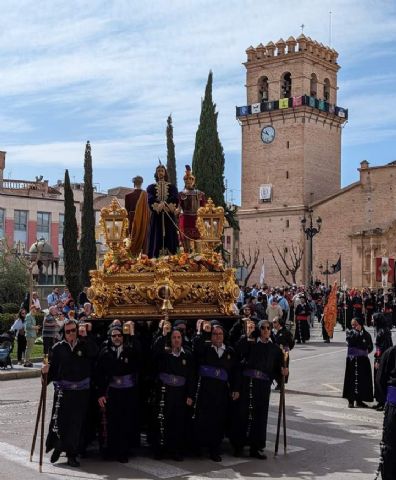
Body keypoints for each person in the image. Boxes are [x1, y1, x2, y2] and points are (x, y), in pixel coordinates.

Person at [42, 319, 98, 468]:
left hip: (81, 392)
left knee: (76, 424)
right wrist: (44, 374)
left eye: (74, 330)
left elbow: (95, 353)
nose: (71, 334)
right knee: (60, 423)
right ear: (63, 333)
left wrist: (85, 337)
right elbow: (51, 372)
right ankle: (59, 447)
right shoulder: (58, 348)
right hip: (63, 392)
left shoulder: (84, 345)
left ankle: (72, 454)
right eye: (68, 331)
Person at [231, 319, 286, 459]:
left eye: (268, 328)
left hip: (263, 386)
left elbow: (279, 369)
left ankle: (255, 448)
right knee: (243, 415)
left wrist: (284, 372)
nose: (266, 330)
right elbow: (238, 357)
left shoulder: (275, 349)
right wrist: (247, 335)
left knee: (260, 417)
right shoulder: (250, 344)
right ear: (259, 330)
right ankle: (239, 446)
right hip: (247, 384)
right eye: (263, 328)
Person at [192, 324, 239, 462]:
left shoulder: (229, 351)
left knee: (218, 421)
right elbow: (196, 348)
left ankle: (215, 449)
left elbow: (235, 372)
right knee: (203, 420)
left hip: (222, 392)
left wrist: (235, 389)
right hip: (206, 391)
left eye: (220, 334)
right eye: (214, 334)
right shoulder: (205, 349)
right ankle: (200, 447)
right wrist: (201, 332)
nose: (217, 337)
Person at [96, 322, 141, 463]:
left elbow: (139, 357)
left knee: (125, 421)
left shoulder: (130, 349)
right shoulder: (105, 352)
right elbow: (99, 374)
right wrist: (101, 394)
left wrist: (132, 336)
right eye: (114, 336)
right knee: (111, 422)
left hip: (127, 391)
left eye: (119, 335)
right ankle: (111, 450)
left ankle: (123, 451)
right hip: (112, 391)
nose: (116, 338)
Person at [150, 327, 195, 460]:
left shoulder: (187, 354)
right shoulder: (165, 354)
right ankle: (160, 449)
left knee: (178, 421)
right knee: (163, 419)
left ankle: (176, 450)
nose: (176, 340)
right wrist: (162, 335)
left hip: (180, 393)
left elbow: (191, 376)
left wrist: (190, 395)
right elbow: (154, 354)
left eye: (178, 337)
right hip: (165, 391)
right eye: (174, 337)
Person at [147, 164, 179, 258]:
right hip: (156, 217)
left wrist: (165, 203)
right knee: (156, 235)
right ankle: (155, 258)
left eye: (162, 171)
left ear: (165, 173)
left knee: (170, 235)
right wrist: (158, 205)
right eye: (158, 171)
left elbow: (175, 198)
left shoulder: (172, 187)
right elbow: (150, 198)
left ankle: (172, 258)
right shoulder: (151, 187)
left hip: (169, 216)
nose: (160, 173)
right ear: (156, 174)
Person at [342, 317, 374, 408]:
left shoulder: (367, 334)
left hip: (363, 360)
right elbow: (350, 342)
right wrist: (358, 334)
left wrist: (365, 349)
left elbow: (370, 346)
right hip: (352, 360)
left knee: (362, 380)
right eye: (352, 325)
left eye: (355, 324)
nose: (353, 326)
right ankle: (351, 400)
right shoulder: (350, 333)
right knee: (351, 379)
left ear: (360, 324)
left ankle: (360, 400)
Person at [375, 344, 396, 479]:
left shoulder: (390, 352)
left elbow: (380, 381)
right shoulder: (391, 353)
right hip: (394, 407)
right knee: (390, 449)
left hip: (393, 407)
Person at [178, 165, 206, 252]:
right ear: (184, 181)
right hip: (185, 219)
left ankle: (198, 260)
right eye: (186, 179)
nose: (188, 181)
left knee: (198, 242)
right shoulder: (181, 194)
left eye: (190, 179)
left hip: (197, 219)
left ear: (193, 181)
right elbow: (179, 206)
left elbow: (203, 207)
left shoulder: (200, 194)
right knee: (186, 243)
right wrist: (177, 210)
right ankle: (187, 260)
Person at [124, 175, 150, 255]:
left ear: (133, 183)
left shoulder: (127, 196)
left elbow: (126, 211)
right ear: (141, 183)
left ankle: (133, 257)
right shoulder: (146, 195)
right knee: (143, 240)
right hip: (143, 220)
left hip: (132, 220)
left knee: (132, 239)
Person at [372, 312, 393, 411]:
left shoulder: (382, 332)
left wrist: (378, 360)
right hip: (385, 358)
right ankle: (380, 401)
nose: (372, 321)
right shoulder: (384, 330)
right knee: (379, 380)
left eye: (373, 319)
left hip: (382, 359)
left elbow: (381, 348)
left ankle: (383, 401)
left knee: (380, 380)